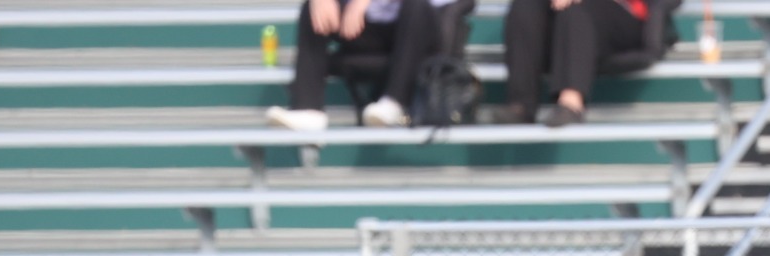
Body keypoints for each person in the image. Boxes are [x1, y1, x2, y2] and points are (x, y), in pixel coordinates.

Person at [269, 0, 459, 130]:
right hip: (373, 27)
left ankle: (394, 103)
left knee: (415, 4)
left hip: (423, 31)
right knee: (314, 7)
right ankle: (307, 109)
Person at [499, 0, 675, 127]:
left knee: (576, 9)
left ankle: (571, 102)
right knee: (525, 5)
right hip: (562, 16)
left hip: (624, 14)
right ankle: (521, 106)